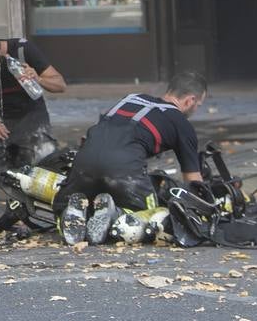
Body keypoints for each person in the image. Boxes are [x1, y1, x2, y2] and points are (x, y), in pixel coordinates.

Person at [52, 72, 209, 246]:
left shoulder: (131, 99)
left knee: (69, 202)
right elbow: (193, 181)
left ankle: (78, 212)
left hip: (83, 162)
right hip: (123, 172)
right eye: (198, 105)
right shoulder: (181, 123)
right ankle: (116, 214)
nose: (196, 109)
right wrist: (205, 209)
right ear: (190, 101)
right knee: (153, 218)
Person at [0, 31, 67, 172]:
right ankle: (12, 163)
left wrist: (38, 79)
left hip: (31, 116)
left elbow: (61, 85)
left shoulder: (23, 50)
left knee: (44, 160)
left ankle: (22, 153)